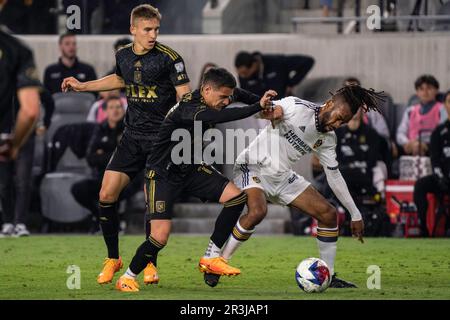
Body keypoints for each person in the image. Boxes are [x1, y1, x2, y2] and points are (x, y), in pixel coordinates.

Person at [200, 84, 386, 288]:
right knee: (258, 211)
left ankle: (329, 276)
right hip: (252, 166)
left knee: (328, 214)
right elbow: (266, 110)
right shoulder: (296, 106)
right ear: (330, 103)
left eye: (344, 122)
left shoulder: (327, 139)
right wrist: (270, 112)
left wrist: (355, 213)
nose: (337, 124)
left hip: (282, 176)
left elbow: (334, 176)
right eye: (338, 117)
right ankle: (218, 263)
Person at [114, 68, 278, 292]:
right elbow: (221, 117)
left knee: (236, 198)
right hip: (162, 174)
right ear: (207, 89)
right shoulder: (189, 108)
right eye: (222, 97)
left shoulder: (215, 95)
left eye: (227, 97)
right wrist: (257, 107)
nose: (226, 101)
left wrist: (260, 100)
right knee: (159, 238)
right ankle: (127, 277)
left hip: (189, 167)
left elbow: (237, 94)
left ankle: (211, 257)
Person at [61, 4, 191, 285]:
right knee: (106, 194)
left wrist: (180, 120)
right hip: (131, 138)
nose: (153, 34)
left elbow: (185, 96)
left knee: (149, 199)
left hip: (161, 142)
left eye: (156, 29)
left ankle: (149, 265)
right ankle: (113, 258)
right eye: (147, 29)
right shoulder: (122, 55)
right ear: (133, 29)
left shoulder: (171, 59)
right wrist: (83, 86)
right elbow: (120, 79)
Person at [0, 20, 41, 236]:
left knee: (21, 180)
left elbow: (44, 104)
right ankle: (8, 221)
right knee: (6, 181)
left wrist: (44, 123)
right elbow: (32, 108)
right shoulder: (18, 50)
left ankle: (19, 222)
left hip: (24, 133)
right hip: (14, 132)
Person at [71, 96, 125, 234]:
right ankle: (99, 216)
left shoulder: (128, 129)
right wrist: (111, 154)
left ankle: (114, 224)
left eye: (118, 107)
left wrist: (103, 154)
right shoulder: (99, 129)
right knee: (78, 189)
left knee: (113, 189)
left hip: (125, 178)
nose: (115, 111)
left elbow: (127, 156)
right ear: (105, 111)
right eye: (112, 107)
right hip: (101, 176)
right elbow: (90, 157)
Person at [413, 90, 450, 237]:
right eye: (449, 101)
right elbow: (435, 160)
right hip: (443, 177)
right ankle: (423, 229)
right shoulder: (439, 132)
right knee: (420, 185)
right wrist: (440, 177)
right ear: (445, 106)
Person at [397, 75, 446, 156]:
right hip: (411, 146)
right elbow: (400, 133)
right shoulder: (410, 111)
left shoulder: (442, 109)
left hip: (433, 147)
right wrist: (408, 143)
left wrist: (425, 144)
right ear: (417, 92)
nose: (425, 92)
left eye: (429, 88)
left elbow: (444, 132)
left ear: (436, 91)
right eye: (421, 89)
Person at [234, 51, 314, 98]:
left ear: (254, 65)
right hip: (260, 113)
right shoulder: (243, 77)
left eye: (245, 73)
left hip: (283, 106)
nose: (243, 76)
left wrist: (291, 83)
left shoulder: (276, 63)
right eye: (240, 74)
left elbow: (307, 61)